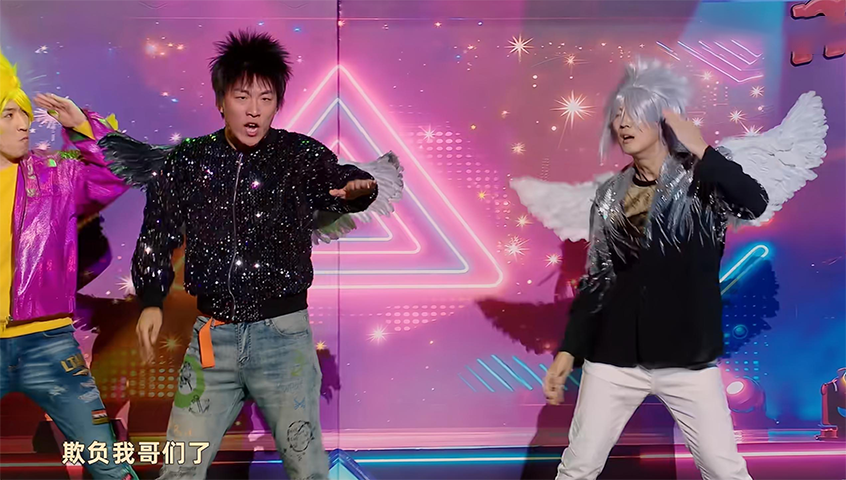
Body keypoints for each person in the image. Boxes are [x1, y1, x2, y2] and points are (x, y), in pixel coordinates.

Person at [515, 57, 827, 480]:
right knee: (578, 467)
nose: (623, 123)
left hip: (686, 360)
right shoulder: (609, 195)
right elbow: (598, 280)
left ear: (661, 122)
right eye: (617, 116)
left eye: (633, 113)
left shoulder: (703, 179)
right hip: (614, 361)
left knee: (723, 469)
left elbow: (753, 202)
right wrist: (569, 351)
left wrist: (703, 149)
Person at [115, 30, 397, 479]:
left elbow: (339, 180)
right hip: (212, 340)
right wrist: (151, 300)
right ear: (220, 101)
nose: (254, 109)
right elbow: (157, 231)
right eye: (242, 96)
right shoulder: (188, 160)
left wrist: (359, 189)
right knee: (179, 469)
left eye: (265, 98)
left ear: (277, 104)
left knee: (307, 469)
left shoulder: (297, 154)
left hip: (283, 339)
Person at [0, 49, 137, 479]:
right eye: (8, 115)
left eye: (24, 115)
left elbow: (116, 173)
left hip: (48, 343)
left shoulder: (52, 175)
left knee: (108, 465)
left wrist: (83, 127)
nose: (23, 124)